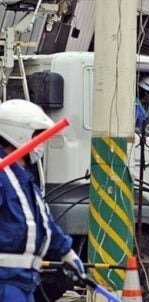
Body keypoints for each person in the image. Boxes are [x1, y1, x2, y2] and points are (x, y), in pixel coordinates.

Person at [0, 99, 86, 300]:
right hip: (5, 285)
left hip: (24, 283)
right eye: (38, 136)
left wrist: (66, 252)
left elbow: (44, 222)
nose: (42, 144)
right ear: (19, 134)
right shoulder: (3, 178)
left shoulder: (22, 178)